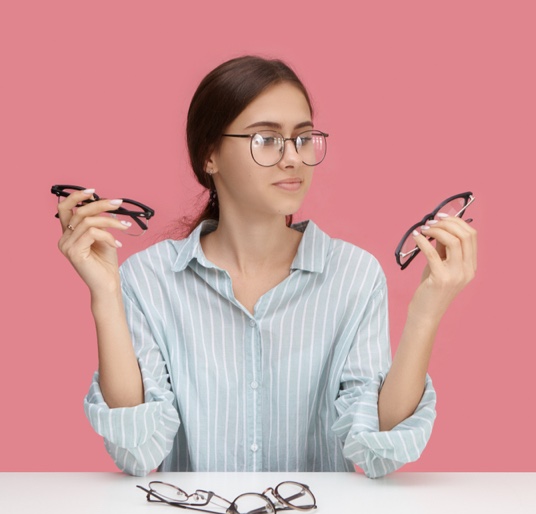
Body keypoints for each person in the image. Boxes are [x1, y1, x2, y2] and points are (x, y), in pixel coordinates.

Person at [56, 56, 477, 478]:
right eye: (267, 140)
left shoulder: (354, 275)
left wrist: (426, 311)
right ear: (209, 156)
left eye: (303, 138)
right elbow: (136, 452)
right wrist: (106, 294)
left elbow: (378, 450)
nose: (293, 158)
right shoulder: (147, 280)